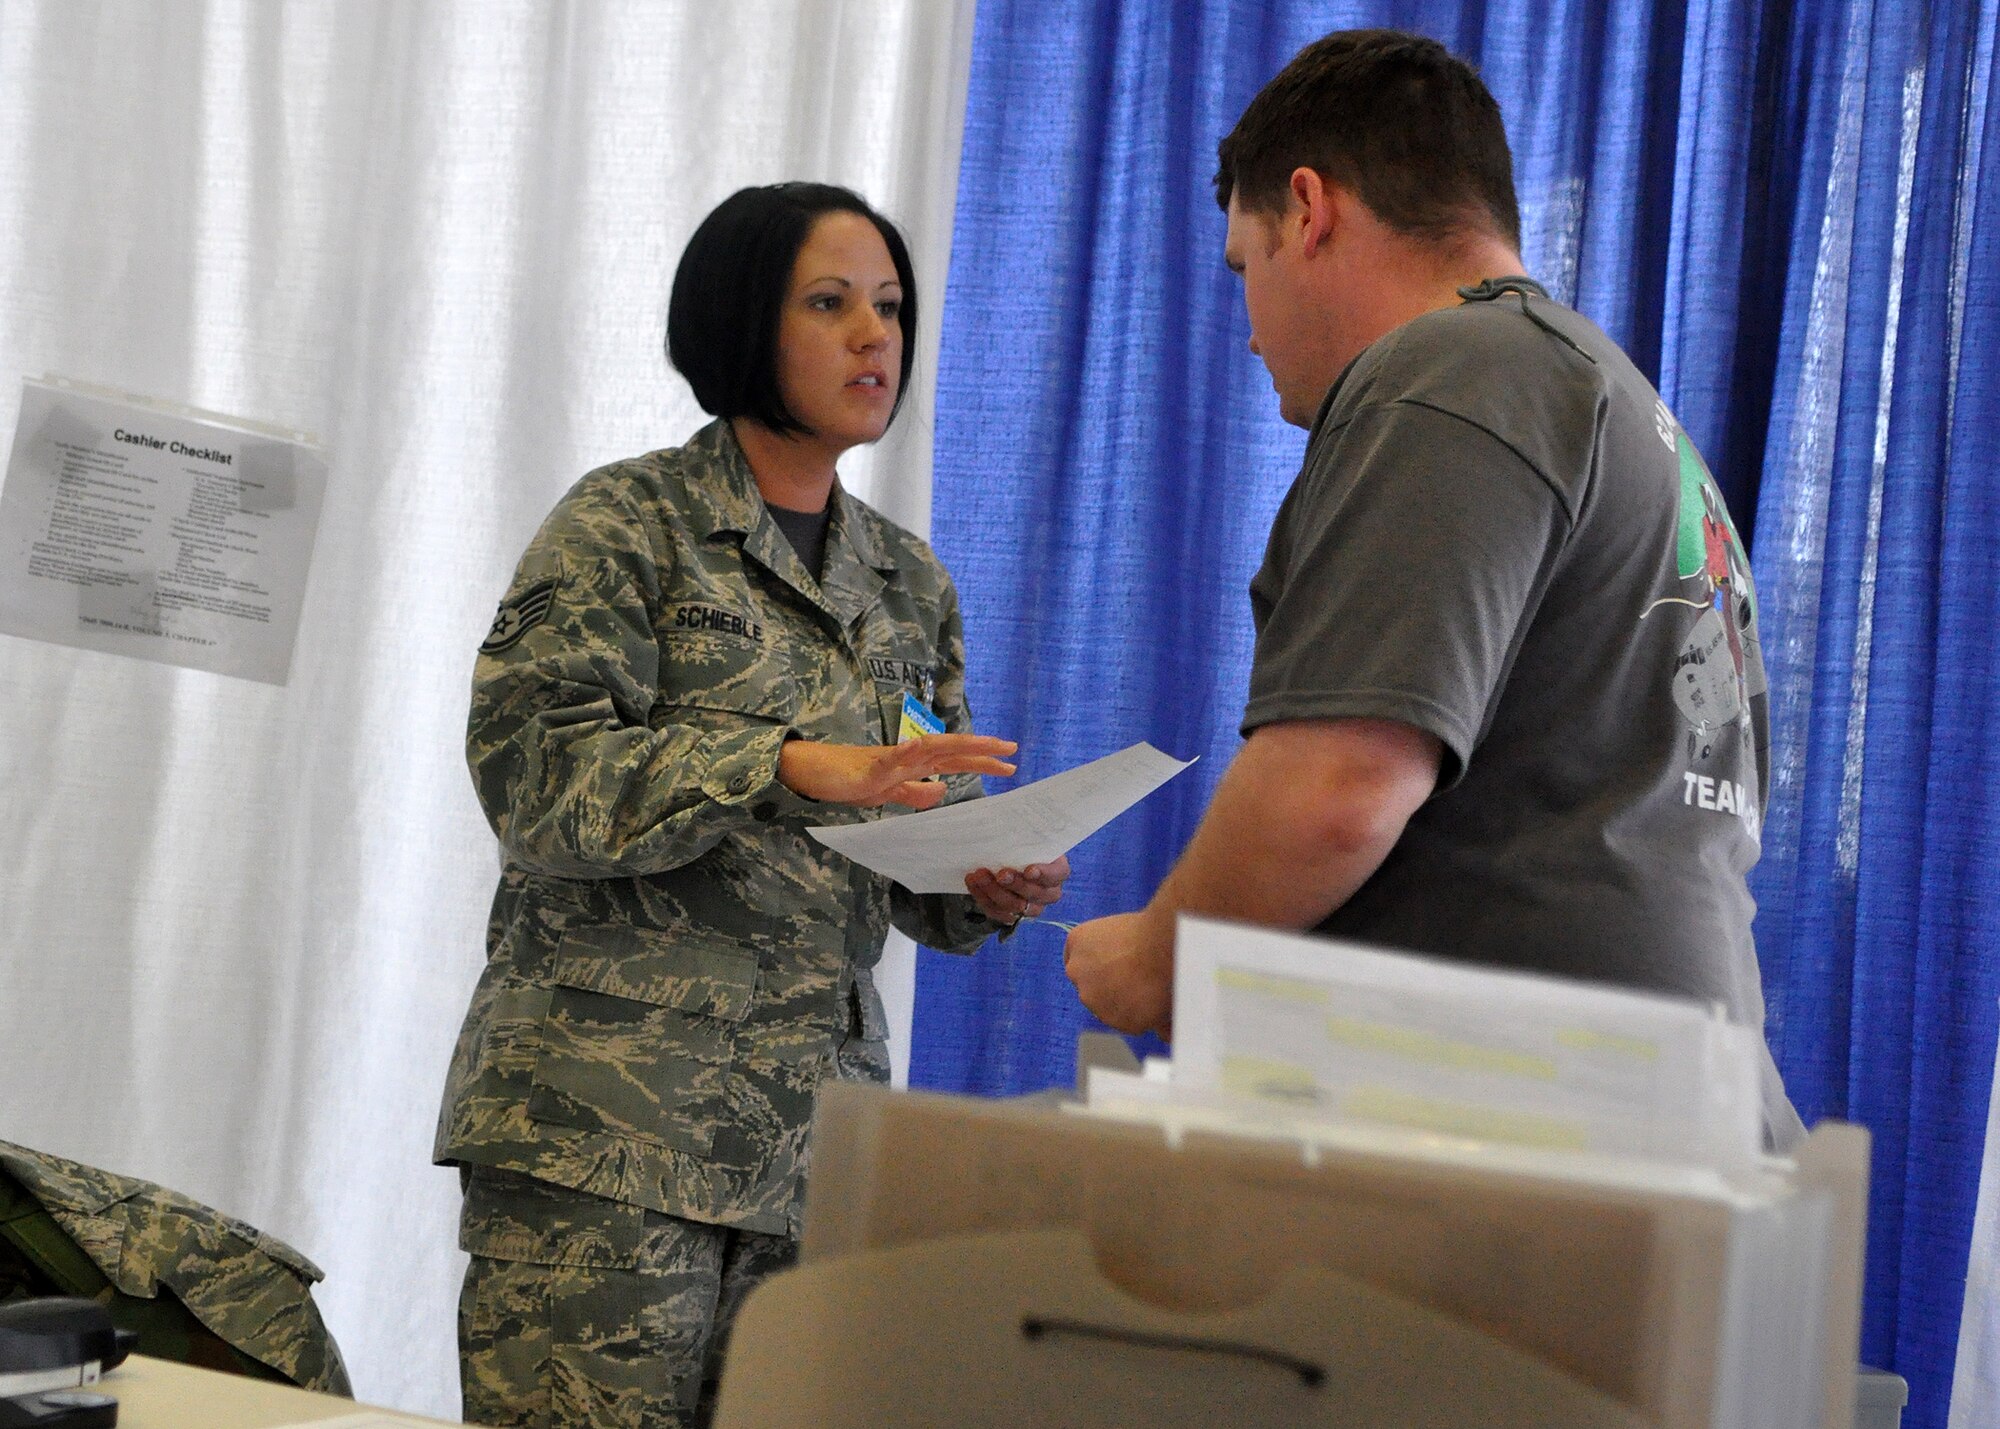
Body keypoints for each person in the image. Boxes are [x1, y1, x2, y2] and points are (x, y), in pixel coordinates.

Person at [1062, 29, 1801, 1144]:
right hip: (1661, 1113)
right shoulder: (1607, 396)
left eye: (1242, 264)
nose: (1249, 329)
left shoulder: (1450, 371)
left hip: (1538, 1133)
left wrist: (1157, 958)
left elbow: (1339, 786)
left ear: (1308, 210)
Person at [435, 181, 1069, 1429]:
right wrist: (778, 763)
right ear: (740, 324)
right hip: (605, 1143)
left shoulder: (906, 581)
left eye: (888, 308)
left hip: (810, 1153)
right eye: (829, 304)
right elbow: (535, 784)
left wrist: (975, 880)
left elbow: (897, 840)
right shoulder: (628, 526)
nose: (873, 337)